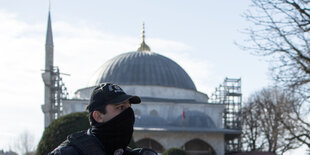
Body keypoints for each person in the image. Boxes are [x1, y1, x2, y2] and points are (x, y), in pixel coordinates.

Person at [49, 83, 157, 155]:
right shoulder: (69, 152)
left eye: (129, 108)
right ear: (98, 116)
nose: (128, 114)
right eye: (120, 107)